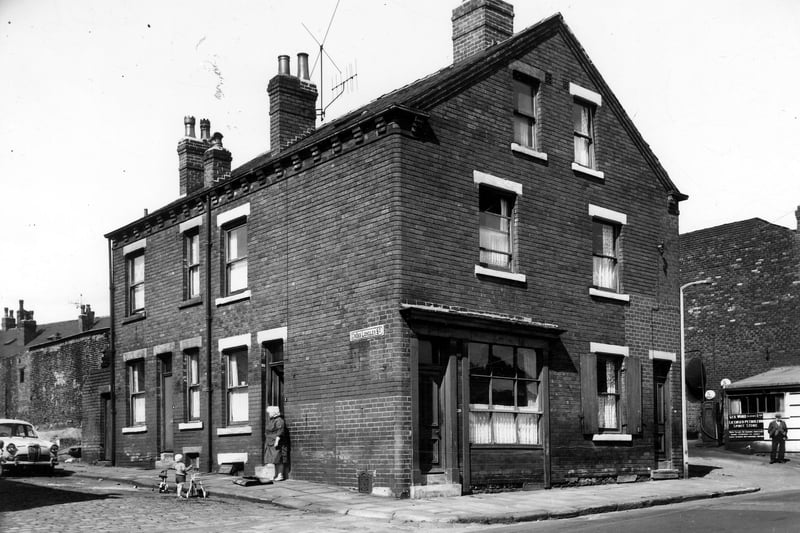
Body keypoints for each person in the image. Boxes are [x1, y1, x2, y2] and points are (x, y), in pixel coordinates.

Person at [264, 406, 288, 481]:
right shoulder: (272, 420)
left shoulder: (279, 420)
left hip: (276, 443)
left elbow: (280, 431)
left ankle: (280, 475)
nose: (269, 414)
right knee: (270, 459)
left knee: (278, 459)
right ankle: (272, 475)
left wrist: (277, 441)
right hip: (269, 443)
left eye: (270, 412)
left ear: (274, 413)